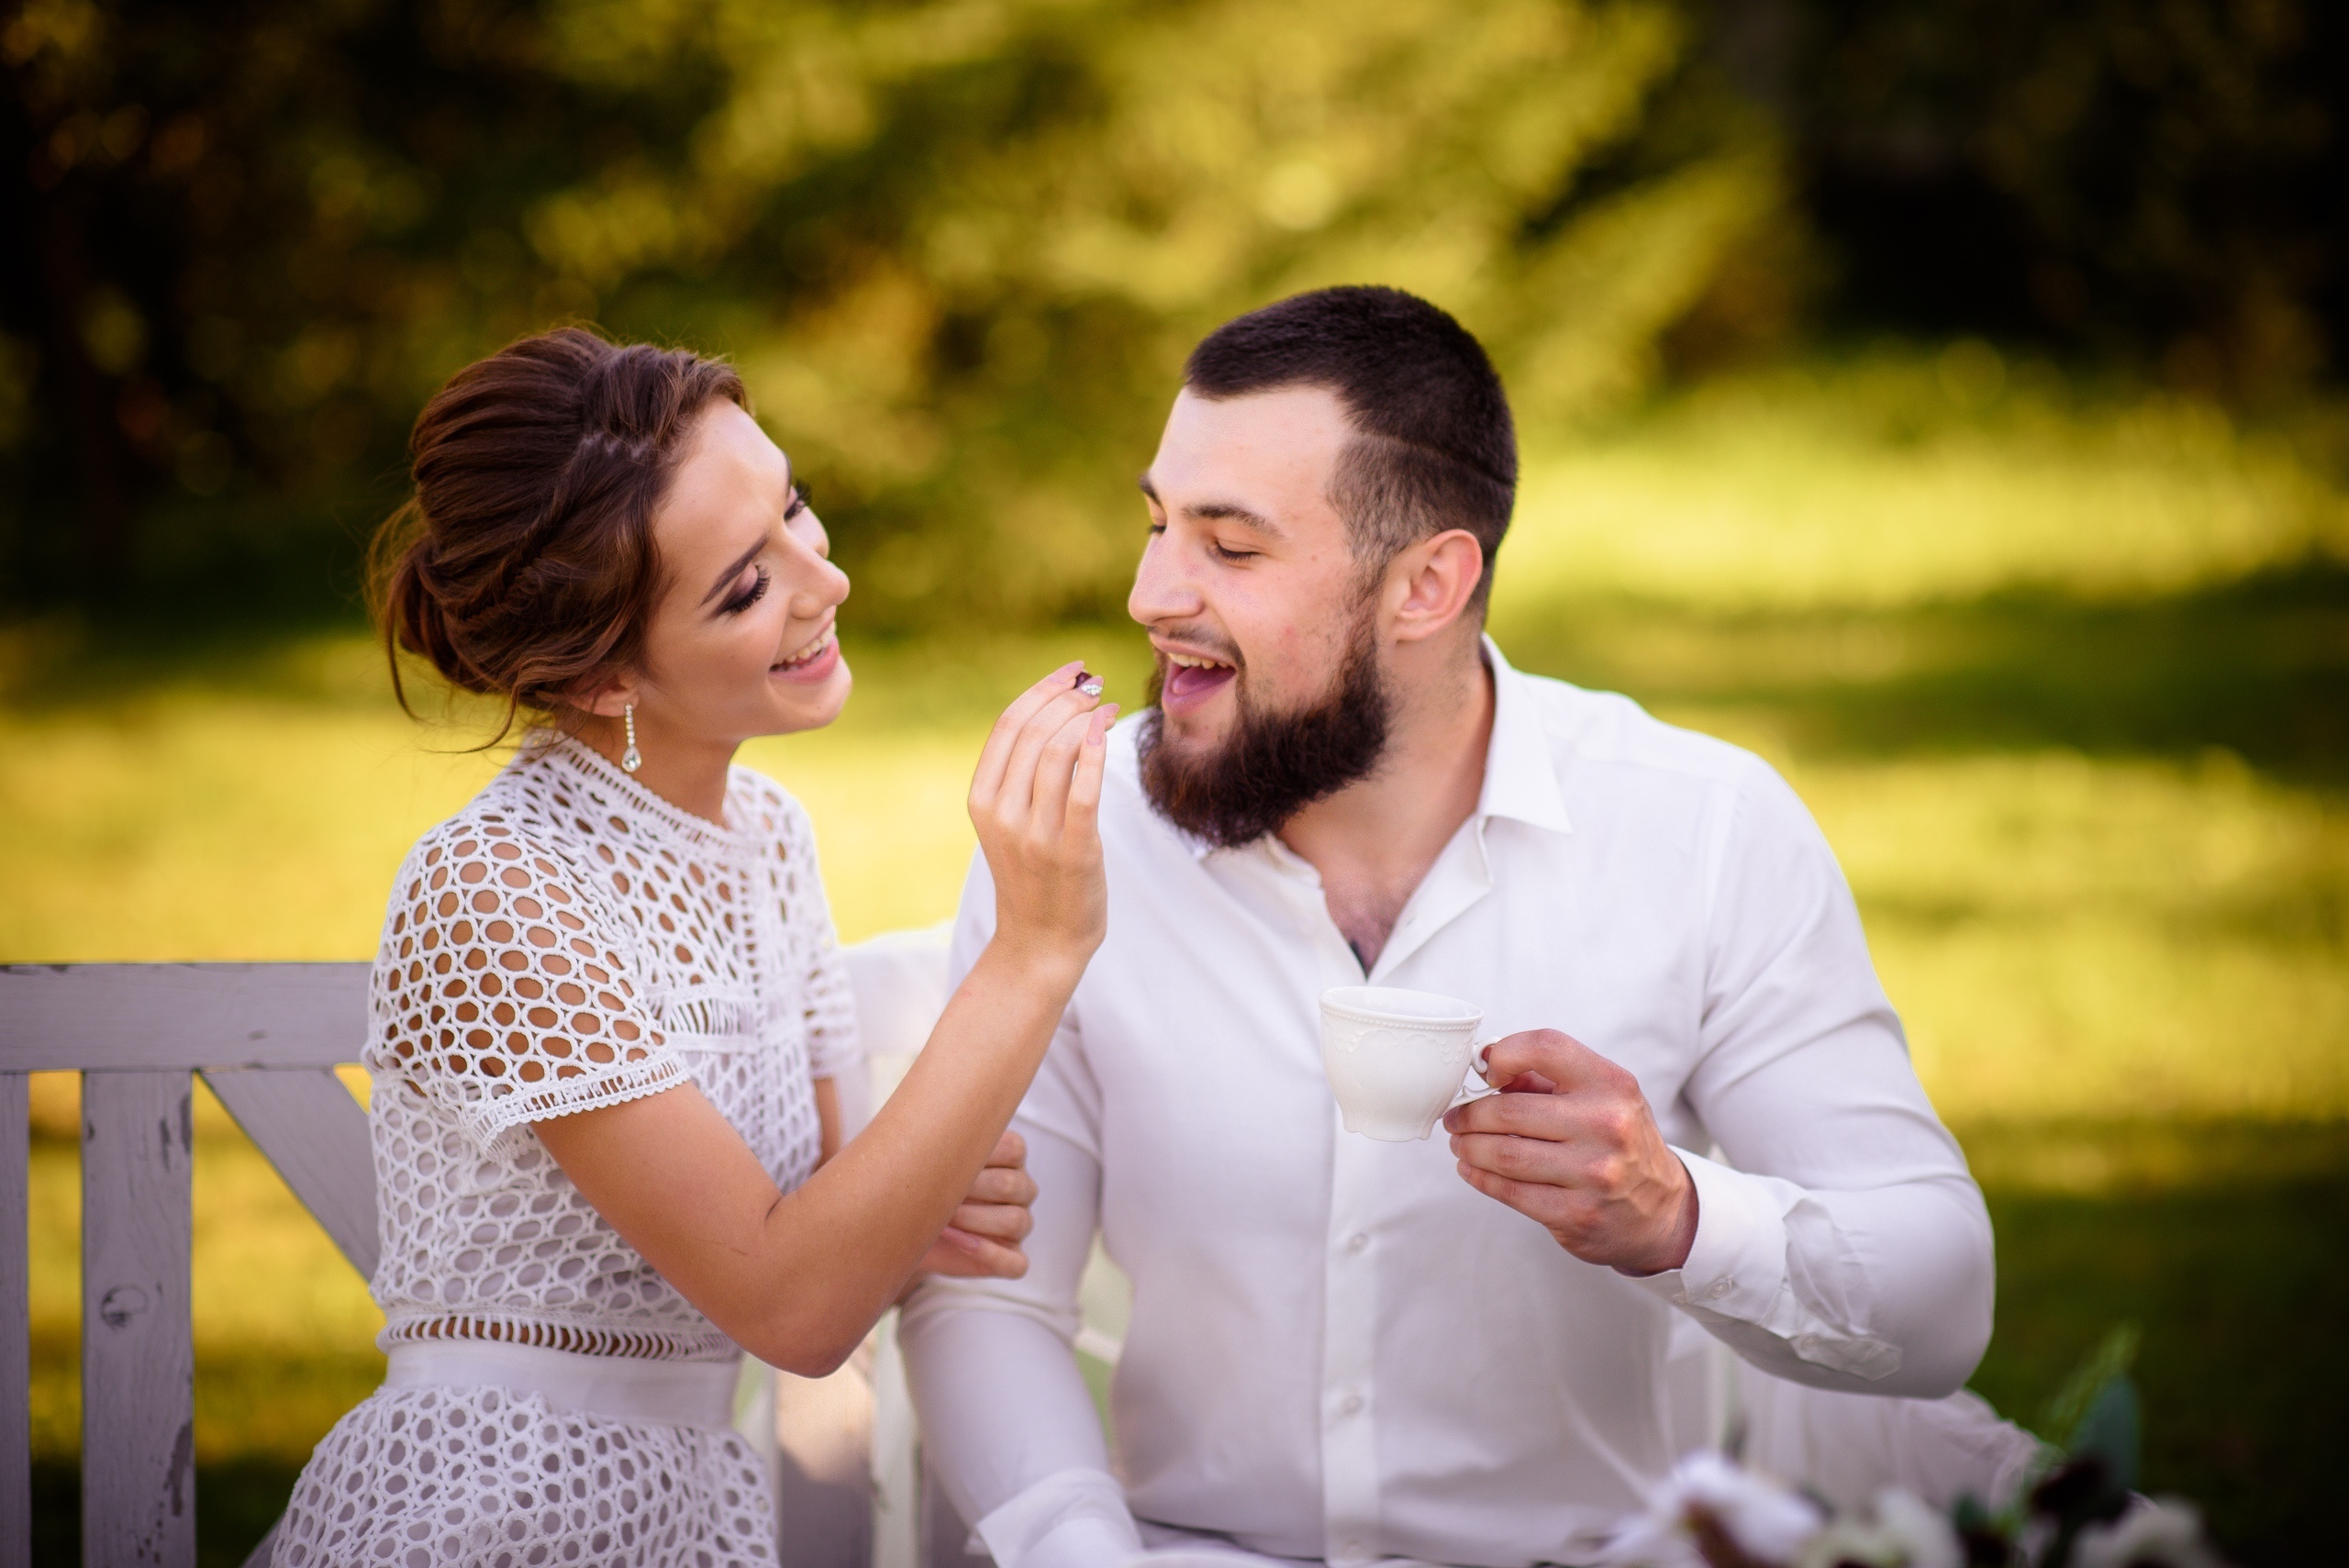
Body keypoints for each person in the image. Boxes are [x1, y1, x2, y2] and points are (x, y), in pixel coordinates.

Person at [899, 287, 2005, 1568]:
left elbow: (1940, 1297)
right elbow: (988, 1286)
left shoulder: (1703, 830)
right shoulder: (1074, 845)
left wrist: (1676, 1212)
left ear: (1428, 580)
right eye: (1158, 524)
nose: (1151, 592)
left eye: (1230, 547)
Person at [275, 328, 1114, 1567]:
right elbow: (796, 1304)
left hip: (688, 1513)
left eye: (796, 508)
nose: (821, 581)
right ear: (608, 672)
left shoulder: (768, 833)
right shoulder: (498, 889)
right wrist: (1033, 951)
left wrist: (912, 1208)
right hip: (493, 1520)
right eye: (744, 586)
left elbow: (819, 1218)